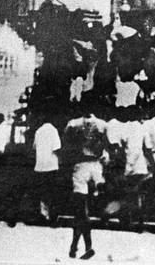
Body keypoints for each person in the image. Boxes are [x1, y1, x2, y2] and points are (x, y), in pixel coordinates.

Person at [65, 100, 107, 260]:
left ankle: (83, 246)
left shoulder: (73, 125)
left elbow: (67, 145)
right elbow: (106, 145)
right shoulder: (102, 125)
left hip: (81, 166)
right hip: (96, 166)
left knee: (81, 211)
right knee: (81, 213)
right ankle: (75, 246)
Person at [33, 112, 62, 223]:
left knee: (42, 191)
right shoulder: (53, 130)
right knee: (52, 191)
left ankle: (43, 213)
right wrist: (61, 159)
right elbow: (56, 148)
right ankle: (52, 216)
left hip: (40, 166)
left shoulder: (38, 131)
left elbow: (34, 147)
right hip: (51, 166)